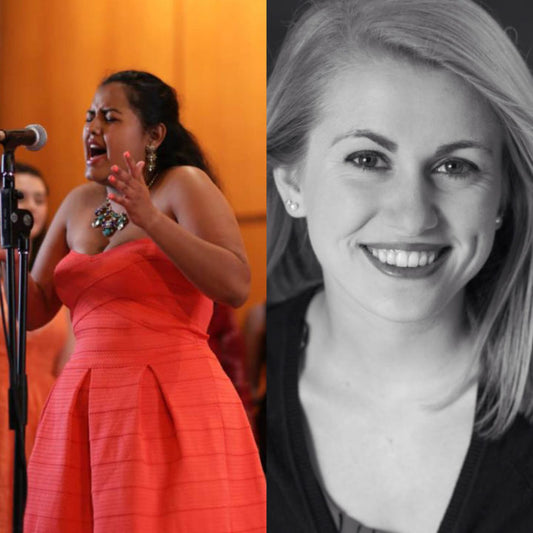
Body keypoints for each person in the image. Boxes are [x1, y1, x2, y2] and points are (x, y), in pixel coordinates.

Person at [267, 1, 533, 532]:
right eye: (367, 159)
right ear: (293, 183)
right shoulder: (235, 378)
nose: (413, 217)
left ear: (502, 197)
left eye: (456, 166)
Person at [20, 71, 265, 532]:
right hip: (85, 401)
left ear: (153, 135)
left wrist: (151, 219)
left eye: (109, 118)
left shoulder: (183, 185)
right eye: (89, 117)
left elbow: (235, 284)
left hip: (168, 394)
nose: (91, 129)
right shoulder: (77, 204)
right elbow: (34, 313)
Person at [0, 163, 74, 532]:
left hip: (46, 410)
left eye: (40, 199)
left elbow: (69, 361)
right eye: (20, 197)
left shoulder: (59, 275)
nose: (30, 206)